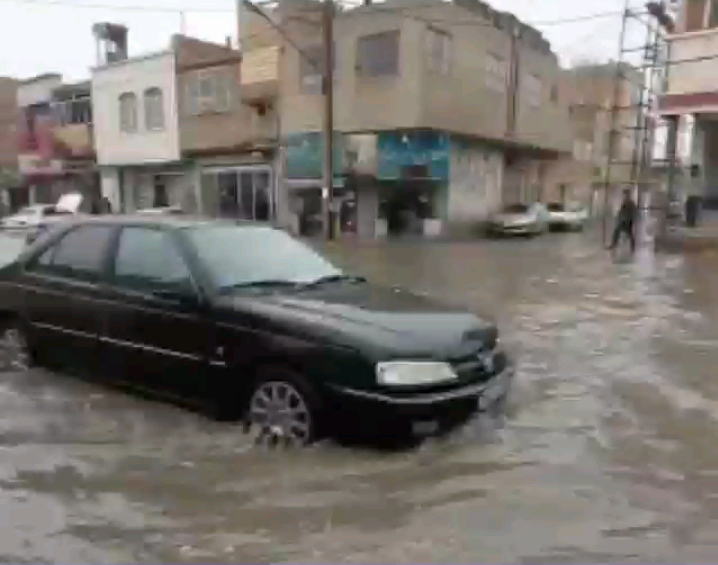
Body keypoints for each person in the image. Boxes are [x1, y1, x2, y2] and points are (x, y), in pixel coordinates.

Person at [608, 188, 637, 253]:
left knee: (627, 233)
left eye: (625, 194)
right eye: (624, 194)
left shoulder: (630, 202)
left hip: (627, 221)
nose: (624, 196)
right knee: (621, 232)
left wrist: (629, 218)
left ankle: (615, 244)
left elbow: (632, 212)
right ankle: (615, 244)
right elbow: (622, 212)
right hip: (625, 220)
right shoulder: (626, 202)